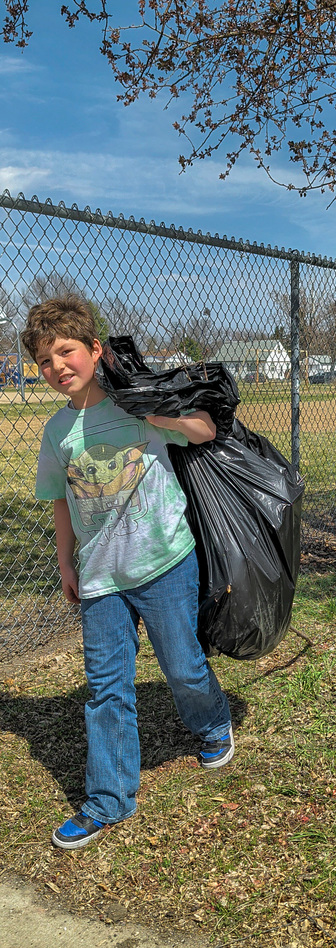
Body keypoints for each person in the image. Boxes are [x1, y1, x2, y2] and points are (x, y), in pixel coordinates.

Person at [22, 295, 234, 850]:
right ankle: (109, 799)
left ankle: (212, 722)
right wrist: (66, 563)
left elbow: (205, 430)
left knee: (183, 665)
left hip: (163, 560)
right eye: (44, 361)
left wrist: (151, 414)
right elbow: (61, 501)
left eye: (66, 352)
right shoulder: (56, 432)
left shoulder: (136, 404)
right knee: (106, 686)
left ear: (95, 350)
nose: (57, 368)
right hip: (99, 579)